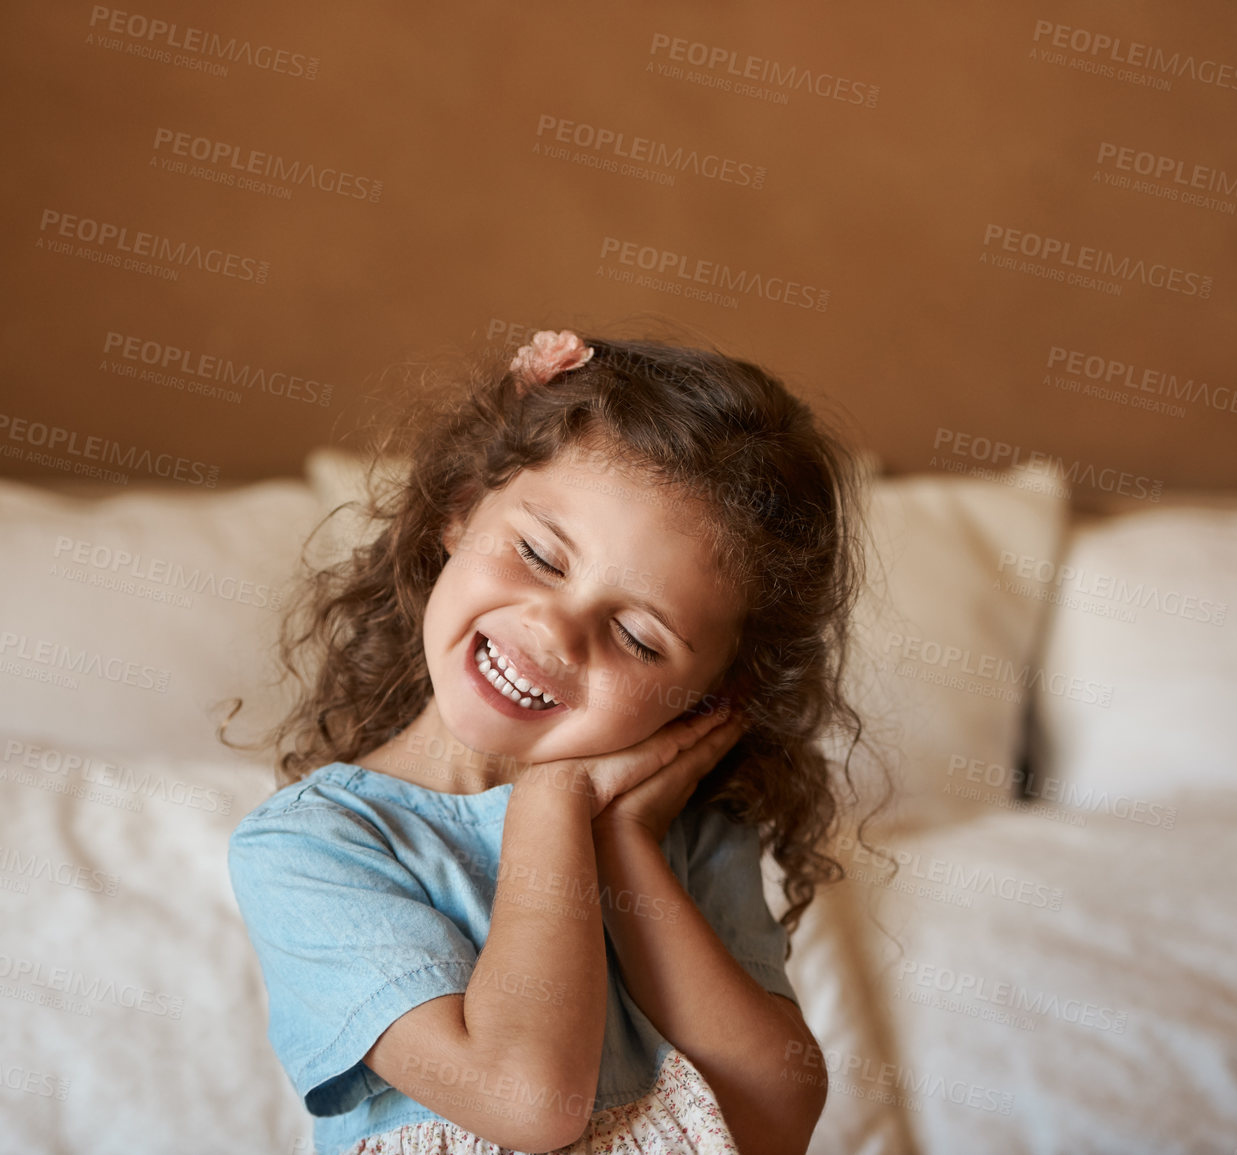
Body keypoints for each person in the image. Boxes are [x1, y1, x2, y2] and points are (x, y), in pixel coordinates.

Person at [226, 327, 878, 1155]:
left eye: (639, 638)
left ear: (712, 696)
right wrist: (551, 801)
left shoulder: (686, 833)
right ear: (460, 506)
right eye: (537, 555)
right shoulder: (312, 846)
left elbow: (773, 1119)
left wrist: (625, 844)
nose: (557, 632)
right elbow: (527, 1102)